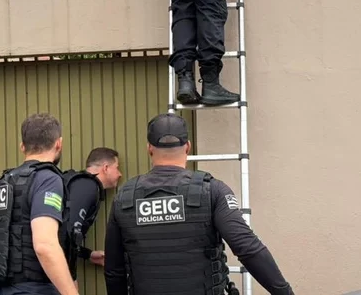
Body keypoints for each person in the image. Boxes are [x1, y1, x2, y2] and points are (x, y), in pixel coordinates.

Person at [103, 113, 295, 295]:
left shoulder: (124, 197)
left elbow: (114, 270)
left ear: (149, 148)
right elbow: (248, 248)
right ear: (188, 146)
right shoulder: (213, 190)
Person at [0, 113, 79, 295]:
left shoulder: (4, 181)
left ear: (22, 147)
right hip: (35, 289)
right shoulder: (47, 179)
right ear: (59, 144)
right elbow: (45, 245)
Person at [61, 147, 123, 278]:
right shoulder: (88, 186)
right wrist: (70, 279)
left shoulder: (83, 185)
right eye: (117, 168)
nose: (120, 174)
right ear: (106, 168)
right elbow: (68, 234)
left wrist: (88, 254)